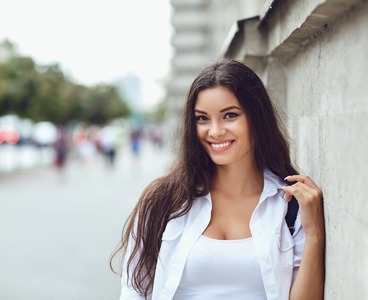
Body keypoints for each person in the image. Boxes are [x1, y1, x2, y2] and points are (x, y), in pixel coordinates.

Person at [112, 59, 325, 300]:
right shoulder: (163, 200)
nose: (214, 131)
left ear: (257, 118)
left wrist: (315, 233)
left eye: (230, 115)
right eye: (202, 118)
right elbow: (134, 290)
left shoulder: (290, 205)